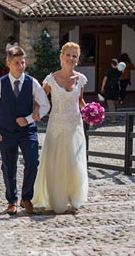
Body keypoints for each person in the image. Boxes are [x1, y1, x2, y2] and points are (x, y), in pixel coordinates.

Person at [0, 46, 51, 215]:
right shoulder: (0, 84)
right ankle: (11, 200)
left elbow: (45, 105)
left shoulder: (32, 83)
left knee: (32, 162)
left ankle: (26, 198)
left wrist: (28, 119)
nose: (21, 66)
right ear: (8, 63)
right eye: (16, 63)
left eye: (23, 62)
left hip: (28, 131)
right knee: (9, 166)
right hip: (5, 132)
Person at [33, 42, 88, 214]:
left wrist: (91, 113)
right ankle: (57, 199)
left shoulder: (81, 79)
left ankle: (74, 196)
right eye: (68, 55)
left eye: (74, 56)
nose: (71, 58)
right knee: (56, 162)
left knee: (74, 162)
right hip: (56, 126)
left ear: (77, 60)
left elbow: (80, 101)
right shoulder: (50, 80)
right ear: (61, 56)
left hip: (75, 125)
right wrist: (36, 111)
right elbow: (40, 98)